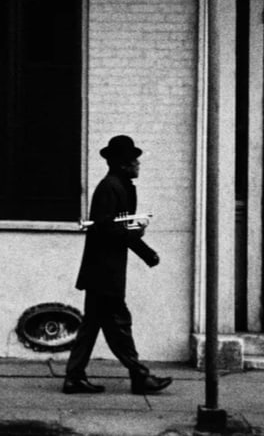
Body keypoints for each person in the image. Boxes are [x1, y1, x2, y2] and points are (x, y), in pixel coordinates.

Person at [63, 135, 173, 395]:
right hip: (105, 271)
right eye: (134, 160)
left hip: (102, 269)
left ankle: (74, 378)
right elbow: (105, 228)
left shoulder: (118, 186)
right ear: (123, 163)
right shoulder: (111, 187)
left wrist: (140, 242)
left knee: (92, 326)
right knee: (118, 325)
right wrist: (140, 240)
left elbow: (118, 226)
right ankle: (139, 376)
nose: (138, 164)